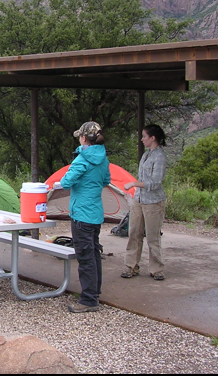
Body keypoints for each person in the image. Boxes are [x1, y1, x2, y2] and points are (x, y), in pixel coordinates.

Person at [53, 121, 111, 313]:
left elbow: (67, 182)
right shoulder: (103, 159)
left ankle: (88, 299)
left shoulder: (82, 159)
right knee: (94, 254)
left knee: (85, 257)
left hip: (81, 214)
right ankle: (94, 293)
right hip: (95, 213)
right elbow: (106, 181)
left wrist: (55, 185)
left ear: (84, 138)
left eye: (80, 136)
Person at [121, 124, 168, 281]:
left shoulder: (159, 157)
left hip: (153, 202)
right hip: (139, 200)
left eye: (144, 136)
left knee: (153, 236)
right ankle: (131, 265)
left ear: (152, 138)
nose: (142, 139)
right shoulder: (146, 155)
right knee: (134, 233)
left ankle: (156, 268)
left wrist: (134, 184)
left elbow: (155, 182)